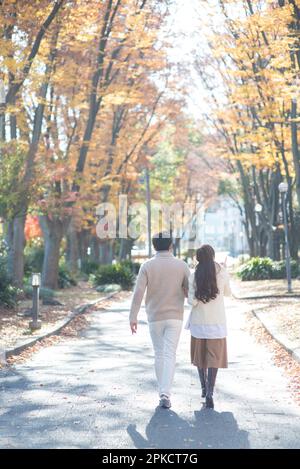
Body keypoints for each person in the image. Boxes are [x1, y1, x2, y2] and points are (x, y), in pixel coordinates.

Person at [129, 232, 190, 409]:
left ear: (155, 246)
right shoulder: (182, 265)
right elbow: (190, 291)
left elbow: (139, 292)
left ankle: (162, 391)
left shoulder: (147, 266)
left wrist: (133, 316)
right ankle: (165, 393)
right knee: (170, 353)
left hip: (154, 317)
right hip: (175, 316)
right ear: (171, 245)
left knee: (159, 353)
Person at [185, 245, 231, 409]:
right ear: (213, 256)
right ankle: (211, 392)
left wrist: (197, 295)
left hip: (199, 323)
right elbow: (227, 293)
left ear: (197, 258)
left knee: (200, 357)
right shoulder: (222, 272)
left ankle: (203, 388)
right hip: (217, 322)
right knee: (213, 357)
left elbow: (192, 301)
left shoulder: (193, 275)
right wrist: (225, 271)